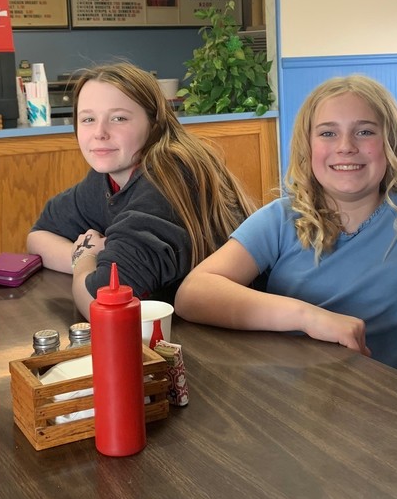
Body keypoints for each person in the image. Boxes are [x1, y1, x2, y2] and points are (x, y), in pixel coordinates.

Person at [173, 75, 397, 373]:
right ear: (307, 146)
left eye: (365, 132)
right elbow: (193, 293)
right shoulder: (283, 217)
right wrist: (308, 317)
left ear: (390, 142)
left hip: (379, 402)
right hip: (278, 392)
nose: (345, 146)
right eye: (328, 133)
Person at [26, 63, 256, 317]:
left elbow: (103, 308)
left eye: (119, 118)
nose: (100, 133)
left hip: (237, 340)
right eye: (88, 119)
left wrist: (84, 259)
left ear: (154, 122)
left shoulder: (167, 179)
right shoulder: (108, 177)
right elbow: (39, 236)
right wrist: (88, 256)